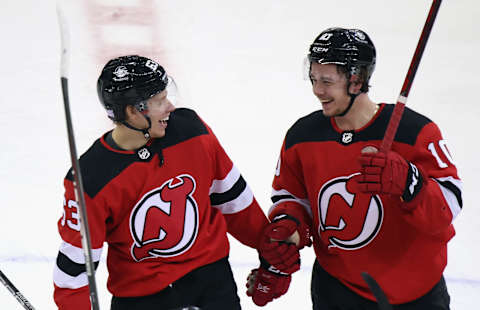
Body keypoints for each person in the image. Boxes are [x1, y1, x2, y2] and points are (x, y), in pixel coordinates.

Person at [52, 55, 298, 310]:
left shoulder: (191, 131)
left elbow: (233, 200)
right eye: (160, 101)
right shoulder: (90, 179)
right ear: (133, 111)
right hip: (143, 299)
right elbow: (75, 268)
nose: (170, 107)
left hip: (211, 285)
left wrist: (271, 257)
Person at [247, 27, 463, 309]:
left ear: (357, 80)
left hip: (416, 297)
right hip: (338, 292)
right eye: (313, 78)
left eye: (326, 81)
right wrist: (288, 232)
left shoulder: (414, 132)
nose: (317, 90)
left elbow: (449, 205)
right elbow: (291, 199)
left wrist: (409, 181)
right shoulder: (302, 137)